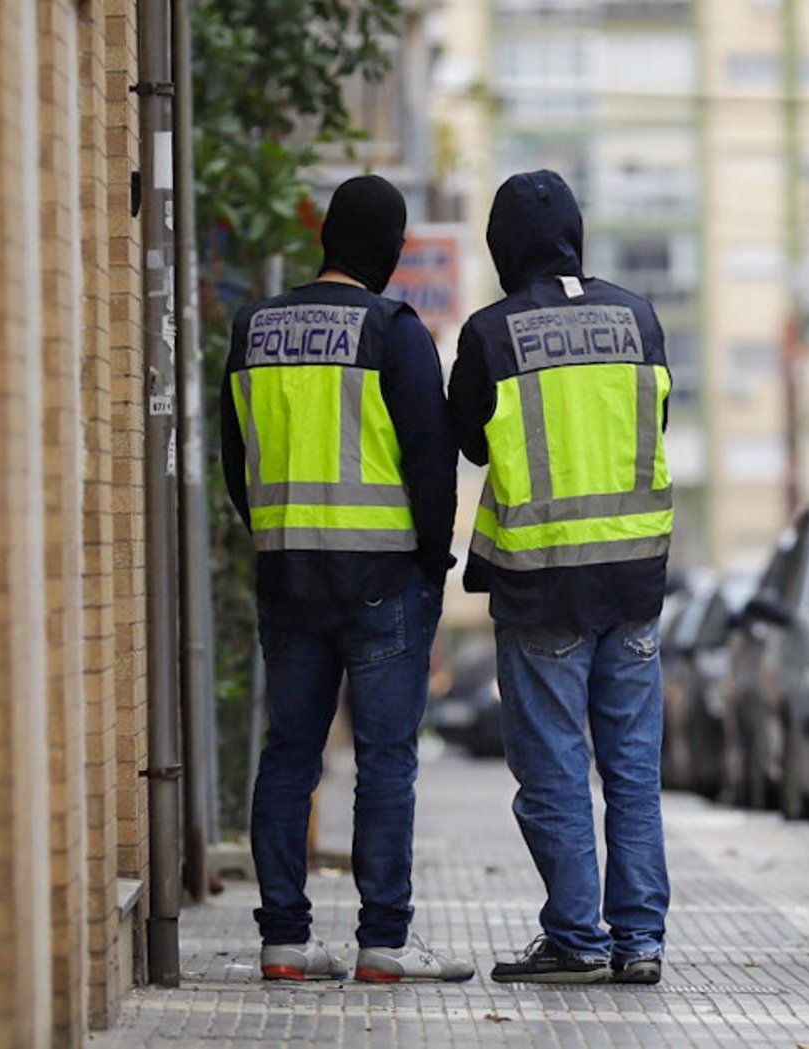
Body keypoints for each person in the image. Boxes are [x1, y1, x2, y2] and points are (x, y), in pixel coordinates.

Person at [221, 174, 473, 984]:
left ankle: (284, 940)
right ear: (389, 250)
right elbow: (432, 462)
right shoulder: (394, 331)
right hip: (382, 580)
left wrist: (275, 533)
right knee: (385, 760)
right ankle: (384, 941)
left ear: (328, 238)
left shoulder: (253, 329)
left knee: (289, 754)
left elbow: (234, 459)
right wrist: (431, 561)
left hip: (287, 574)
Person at [448, 170, 672, 985]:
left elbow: (470, 441)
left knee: (555, 771)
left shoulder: (491, 333)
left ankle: (578, 936)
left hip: (544, 587)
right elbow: (655, 423)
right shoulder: (640, 318)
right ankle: (639, 940)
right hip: (634, 582)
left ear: (502, 248)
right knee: (632, 771)